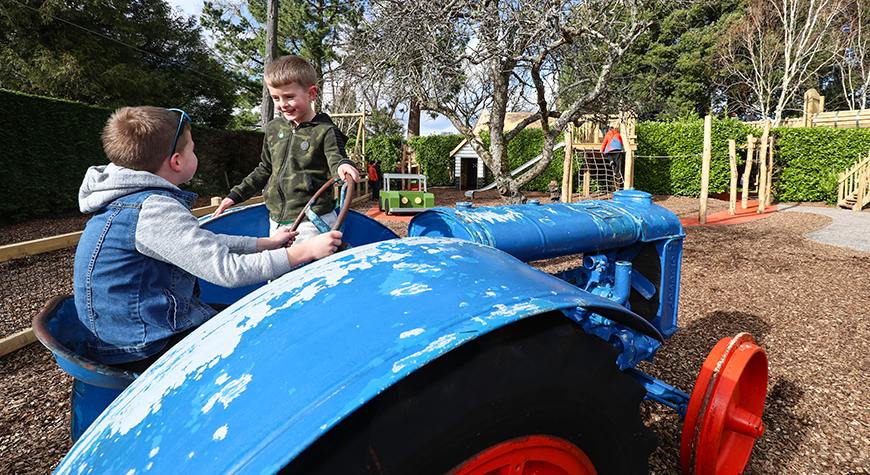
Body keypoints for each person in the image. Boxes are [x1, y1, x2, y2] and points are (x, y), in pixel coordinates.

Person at [74, 106, 343, 374]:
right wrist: (305, 251)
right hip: (144, 346)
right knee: (268, 338)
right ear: (177, 161)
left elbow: (199, 241)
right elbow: (228, 271)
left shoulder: (132, 198)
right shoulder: (152, 210)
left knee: (243, 314)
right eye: (192, 149)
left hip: (133, 330)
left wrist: (264, 243)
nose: (195, 153)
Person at [211, 55, 360, 245]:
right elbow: (265, 168)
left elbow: (336, 157)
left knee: (310, 269)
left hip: (312, 220)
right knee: (281, 268)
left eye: (289, 96)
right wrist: (236, 195)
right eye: (276, 98)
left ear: (311, 93)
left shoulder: (325, 131)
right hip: (277, 220)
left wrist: (343, 165)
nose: (282, 104)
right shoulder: (274, 129)